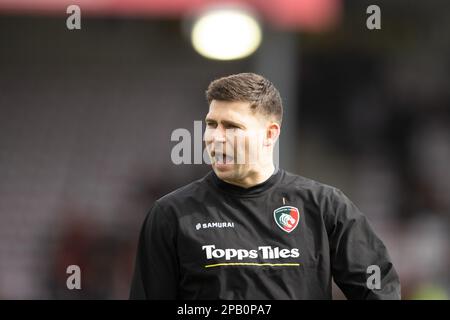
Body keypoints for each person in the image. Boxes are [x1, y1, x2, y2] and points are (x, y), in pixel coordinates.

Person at [129, 73, 401, 299]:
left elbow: (380, 290)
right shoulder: (171, 214)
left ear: (270, 134)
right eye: (212, 124)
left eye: (232, 127)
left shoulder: (325, 207)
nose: (216, 138)